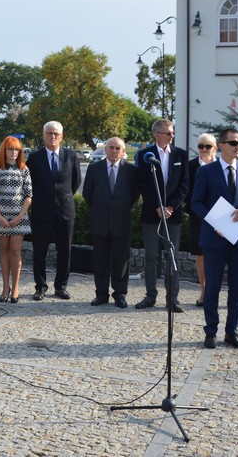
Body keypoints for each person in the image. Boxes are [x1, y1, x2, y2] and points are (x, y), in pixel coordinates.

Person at [191, 127, 238, 349]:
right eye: (233, 143)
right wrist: (215, 222)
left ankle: (232, 331)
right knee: (212, 288)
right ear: (221, 146)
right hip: (214, 239)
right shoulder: (207, 171)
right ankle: (210, 331)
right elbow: (196, 203)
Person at [135, 118, 189, 313]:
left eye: (173, 132)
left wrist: (171, 206)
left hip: (172, 215)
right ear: (157, 134)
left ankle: (172, 298)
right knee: (151, 257)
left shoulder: (180, 155)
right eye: (168, 133)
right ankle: (150, 296)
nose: (172, 135)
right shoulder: (144, 155)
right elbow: (142, 184)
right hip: (151, 214)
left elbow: (184, 184)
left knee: (171, 256)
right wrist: (157, 205)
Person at [26, 121, 81, 300]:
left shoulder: (71, 156)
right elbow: (29, 184)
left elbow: (75, 183)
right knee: (39, 251)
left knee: (65, 251)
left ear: (62, 136)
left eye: (56, 134)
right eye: (49, 133)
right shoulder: (34, 158)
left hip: (65, 211)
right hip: (41, 212)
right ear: (43, 135)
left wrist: (62, 198)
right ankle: (40, 287)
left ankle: (61, 286)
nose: (53, 136)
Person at [82, 137, 139, 308]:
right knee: (100, 260)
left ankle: (120, 294)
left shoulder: (131, 170)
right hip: (100, 222)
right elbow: (87, 193)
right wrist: (101, 208)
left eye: (118, 148)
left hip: (122, 222)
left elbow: (135, 195)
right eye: (111, 148)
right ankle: (101, 294)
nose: (114, 151)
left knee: (121, 262)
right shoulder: (94, 169)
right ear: (105, 149)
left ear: (123, 151)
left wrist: (122, 208)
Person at [0, 136, 32, 303]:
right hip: (1, 216)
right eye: (10, 149)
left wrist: (19, 217)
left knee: (15, 250)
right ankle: (5, 287)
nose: (13, 152)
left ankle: (15, 287)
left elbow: (29, 196)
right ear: (4, 150)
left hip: (19, 217)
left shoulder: (24, 169)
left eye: (16, 149)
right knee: (4, 250)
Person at [185, 133, 217, 307]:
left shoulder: (221, 166)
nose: (204, 149)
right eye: (201, 146)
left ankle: (214, 292)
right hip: (198, 216)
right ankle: (204, 292)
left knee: (218, 254)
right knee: (201, 255)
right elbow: (186, 191)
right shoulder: (190, 166)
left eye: (208, 146)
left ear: (215, 148)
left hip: (219, 216)